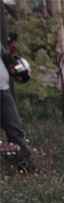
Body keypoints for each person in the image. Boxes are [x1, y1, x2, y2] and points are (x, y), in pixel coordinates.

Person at [0, 38, 33, 167]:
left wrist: (17, 64)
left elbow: (7, 60)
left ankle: (24, 165)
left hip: (3, 90)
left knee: (15, 128)